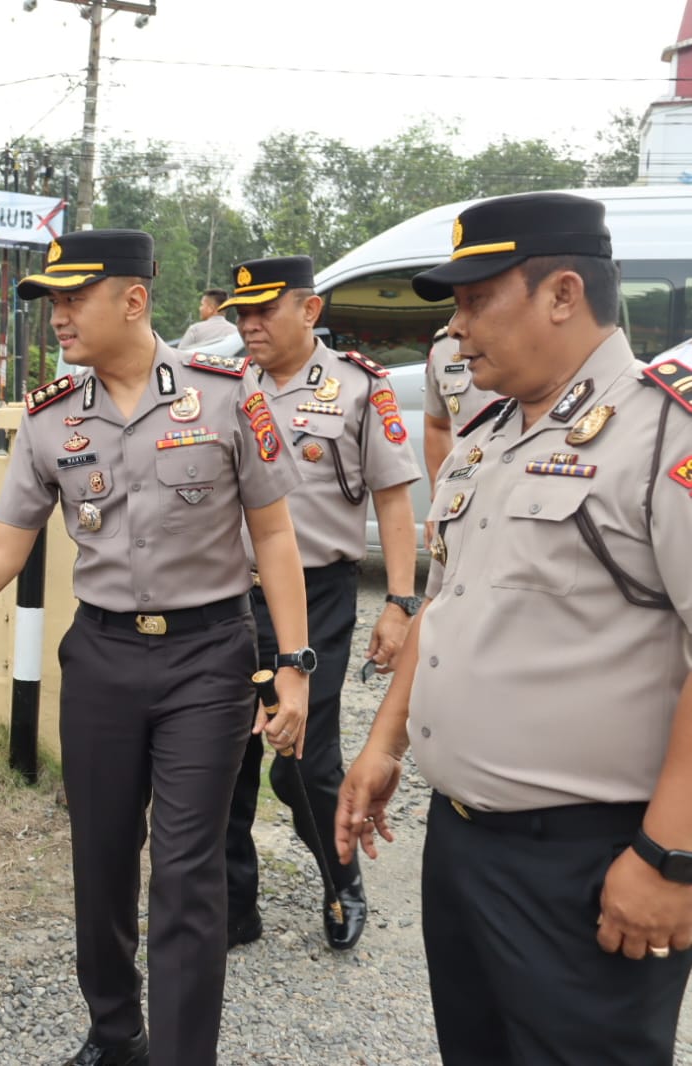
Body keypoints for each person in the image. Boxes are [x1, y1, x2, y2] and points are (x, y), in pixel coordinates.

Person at [0, 229, 312, 1066]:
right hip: (101, 657)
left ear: (132, 299)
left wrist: (294, 668)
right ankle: (115, 1034)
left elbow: (272, 536)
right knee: (101, 857)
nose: (57, 316)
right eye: (51, 301)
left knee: (186, 871)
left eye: (72, 298)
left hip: (207, 657)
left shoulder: (227, 396)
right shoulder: (49, 416)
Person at [337, 191, 692, 1066]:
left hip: (591, 858)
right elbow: (445, 602)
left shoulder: (661, 434)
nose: (455, 330)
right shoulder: (486, 435)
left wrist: (668, 857)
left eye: (474, 300)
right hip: (462, 842)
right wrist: (383, 741)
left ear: (561, 294)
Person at [217, 256, 422, 952]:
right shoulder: (223, 386)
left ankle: (342, 882)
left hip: (316, 595)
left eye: (263, 311)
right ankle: (233, 906)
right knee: (225, 758)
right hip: (229, 594)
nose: (249, 325)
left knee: (302, 760)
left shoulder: (359, 387)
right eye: (241, 314)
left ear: (309, 310)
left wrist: (399, 602)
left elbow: (392, 498)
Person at [422, 325, 506, 485]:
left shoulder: (543, 337)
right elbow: (437, 426)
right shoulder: (444, 347)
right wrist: (440, 488)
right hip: (468, 488)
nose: (456, 322)